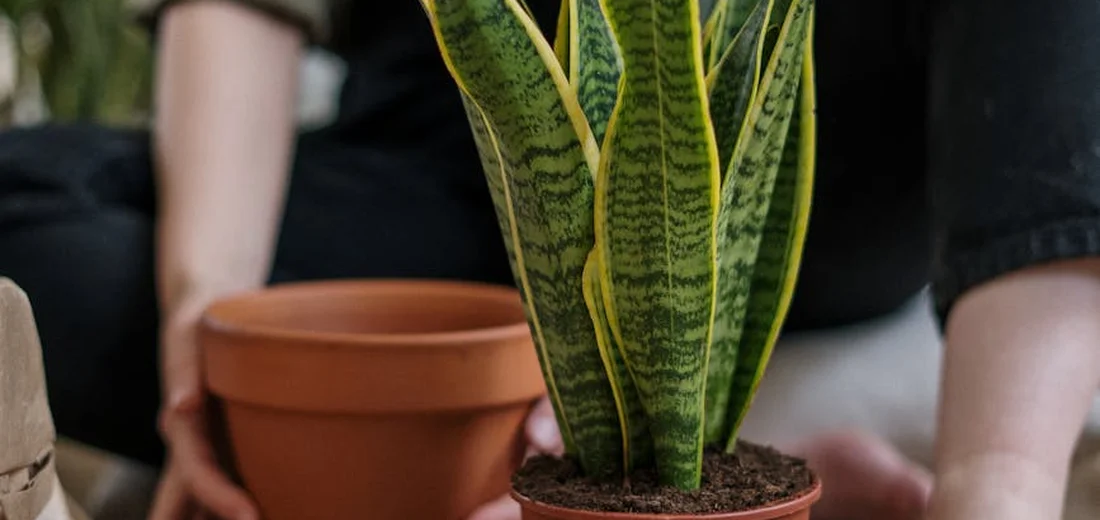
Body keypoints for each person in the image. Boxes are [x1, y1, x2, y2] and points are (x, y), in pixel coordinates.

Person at [0, 0, 1096, 519]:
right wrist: (206, 330)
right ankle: (605, 464)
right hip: (460, 140)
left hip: (779, 151)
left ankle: (984, 489)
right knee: (29, 206)